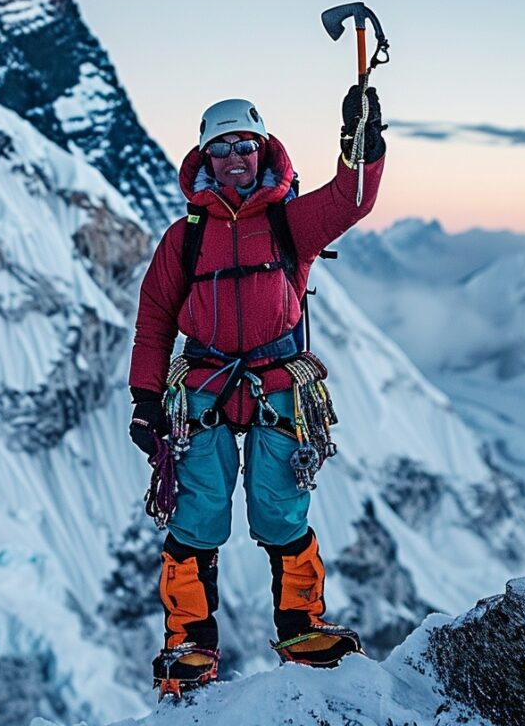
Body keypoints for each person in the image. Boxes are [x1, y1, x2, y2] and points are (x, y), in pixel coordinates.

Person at [128, 86, 386, 694]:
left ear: (261, 150)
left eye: (244, 146)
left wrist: (364, 144)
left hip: (268, 385)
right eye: (222, 150)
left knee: (279, 510)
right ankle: (189, 644)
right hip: (205, 389)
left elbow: (350, 200)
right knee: (197, 515)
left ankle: (301, 626)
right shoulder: (184, 238)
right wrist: (144, 400)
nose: (235, 157)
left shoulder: (288, 222)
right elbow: (154, 319)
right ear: (205, 160)